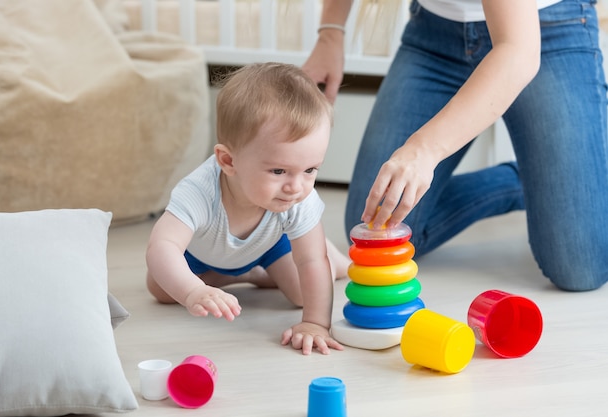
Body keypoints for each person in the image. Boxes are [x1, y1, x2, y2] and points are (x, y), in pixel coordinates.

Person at [303, 0, 608, 291]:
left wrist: (423, 149)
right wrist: (331, 31)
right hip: (435, 36)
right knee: (376, 222)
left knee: (578, 266)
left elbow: (518, 52)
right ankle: (523, 180)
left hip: (546, 32)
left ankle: (572, 176)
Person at [145, 62, 349, 355]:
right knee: (161, 290)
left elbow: (312, 262)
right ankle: (241, 275)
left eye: (310, 169)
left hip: (271, 245)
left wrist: (316, 323)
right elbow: (161, 246)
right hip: (202, 251)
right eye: (278, 171)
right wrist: (193, 291)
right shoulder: (199, 192)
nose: (296, 186)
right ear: (228, 162)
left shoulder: (297, 197)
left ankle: (339, 261)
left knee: (305, 289)